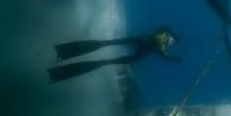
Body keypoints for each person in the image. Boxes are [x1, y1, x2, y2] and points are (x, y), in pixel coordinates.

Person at [48, 27, 180, 83]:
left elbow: (161, 30)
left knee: (108, 43)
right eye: (172, 41)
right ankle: (58, 71)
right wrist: (174, 58)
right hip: (142, 49)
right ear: (171, 38)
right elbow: (164, 53)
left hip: (141, 40)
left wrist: (167, 33)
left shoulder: (162, 33)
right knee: (107, 61)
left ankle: (62, 51)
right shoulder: (163, 44)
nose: (171, 42)